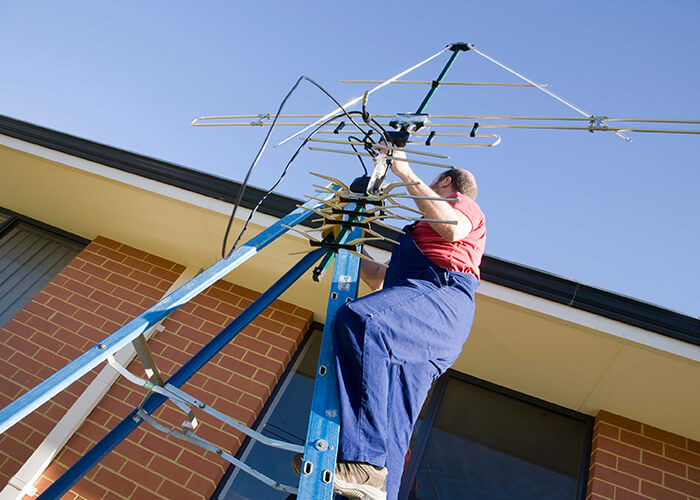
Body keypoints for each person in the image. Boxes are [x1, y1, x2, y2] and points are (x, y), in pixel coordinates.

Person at [329, 149, 486, 500]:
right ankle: (373, 483)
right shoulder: (419, 236)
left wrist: (403, 169)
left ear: (446, 183)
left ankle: (364, 462)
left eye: (433, 183)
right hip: (419, 312)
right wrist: (343, 242)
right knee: (392, 424)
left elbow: (451, 228)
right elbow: (380, 282)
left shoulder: (463, 207)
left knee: (361, 321)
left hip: (443, 297)